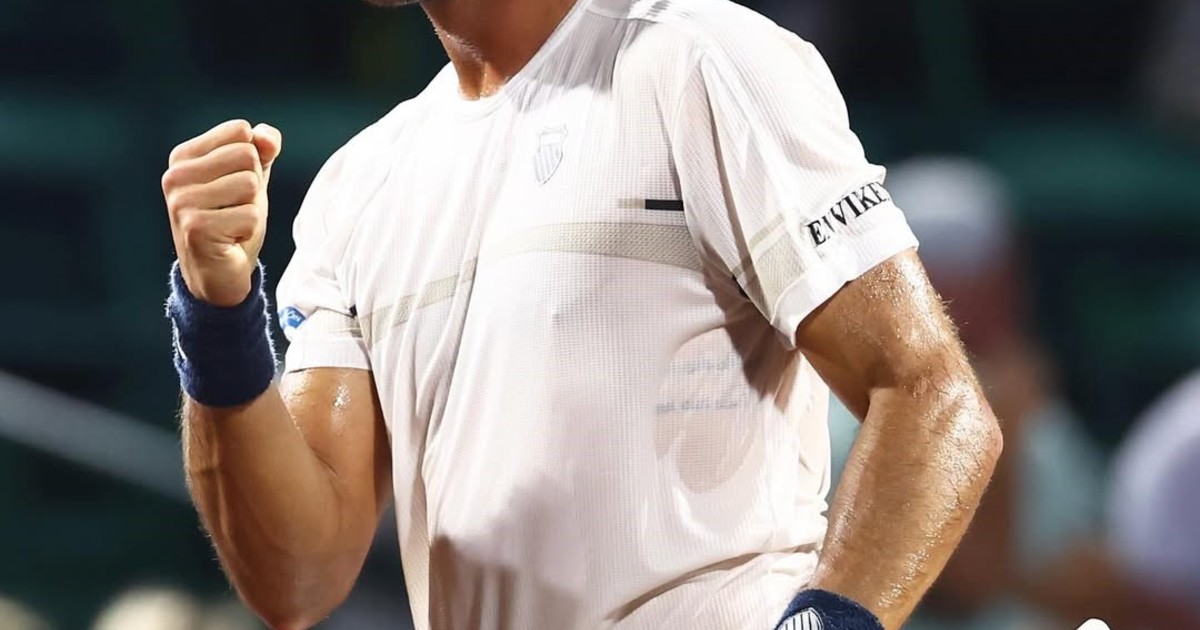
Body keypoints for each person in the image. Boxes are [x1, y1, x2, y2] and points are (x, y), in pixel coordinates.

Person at [159, 0, 1003, 628]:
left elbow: (933, 398)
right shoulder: (359, 184)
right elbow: (297, 578)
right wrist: (217, 315)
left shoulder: (703, 60)